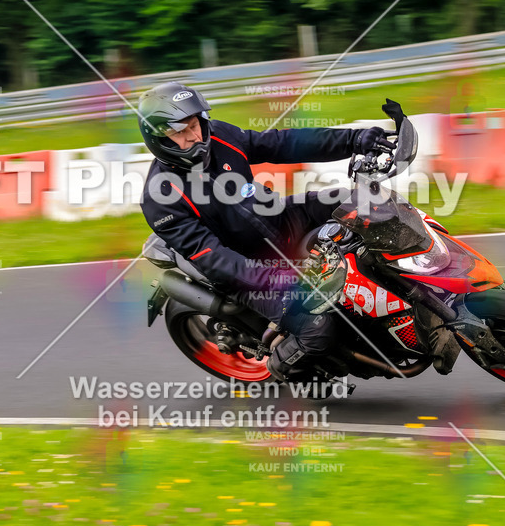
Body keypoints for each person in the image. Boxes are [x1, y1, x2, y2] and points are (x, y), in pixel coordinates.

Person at [138, 82, 392, 383]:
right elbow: (216, 259)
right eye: (180, 132)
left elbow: (284, 143)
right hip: (248, 270)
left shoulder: (220, 135)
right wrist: (278, 282)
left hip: (280, 221)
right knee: (319, 326)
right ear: (158, 139)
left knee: (360, 202)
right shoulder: (160, 198)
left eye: (195, 125)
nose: (195, 136)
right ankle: (287, 369)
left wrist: (353, 140)